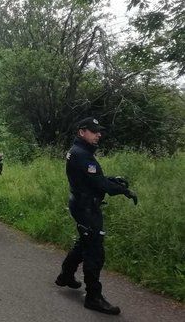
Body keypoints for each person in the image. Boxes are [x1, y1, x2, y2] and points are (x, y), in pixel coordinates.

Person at [55, 117, 138, 315]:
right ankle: (93, 297)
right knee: (95, 252)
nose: (98, 134)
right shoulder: (82, 154)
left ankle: (66, 275)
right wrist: (124, 190)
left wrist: (111, 179)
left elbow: (92, 179)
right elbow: (99, 184)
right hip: (86, 208)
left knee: (85, 241)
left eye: (99, 131)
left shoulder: (79, 152)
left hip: (82, 204)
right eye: (94, 131)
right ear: (82, 132)